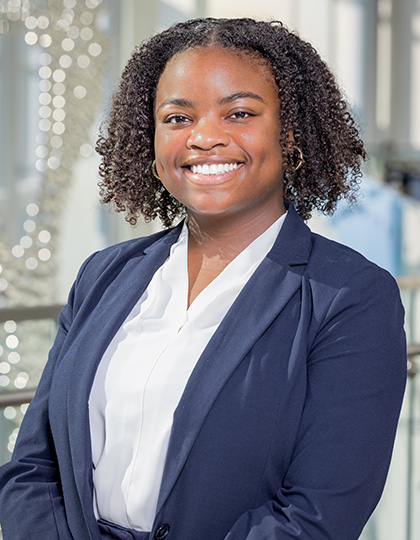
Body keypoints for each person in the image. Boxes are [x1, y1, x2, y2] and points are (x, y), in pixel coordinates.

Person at [0, 17, 407, 540]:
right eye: (177, 117)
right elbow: (35, 467)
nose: (205, 137)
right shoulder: (104, 275)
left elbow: (316, 515)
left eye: (239, 113)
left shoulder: (351, 298)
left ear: (290, 133)